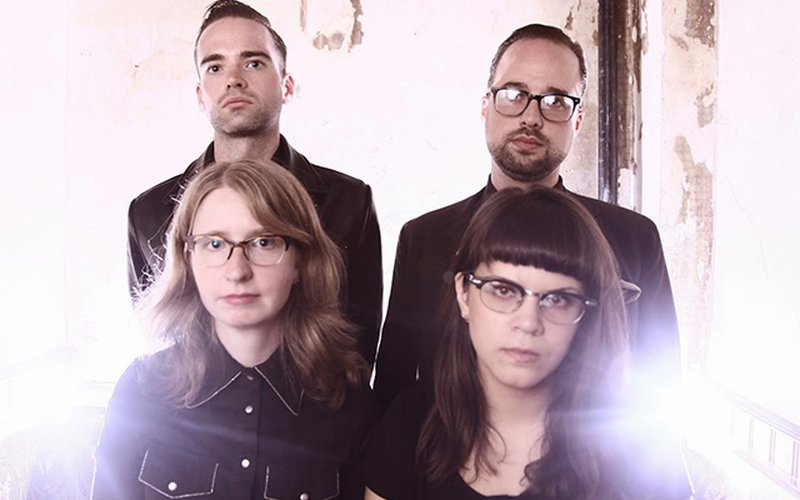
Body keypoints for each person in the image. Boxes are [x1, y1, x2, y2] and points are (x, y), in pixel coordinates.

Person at [374, 23, 680, 412]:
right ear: (486, 106)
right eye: (514, 94)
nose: (531, 117)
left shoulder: (634, 237)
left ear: (578, 120)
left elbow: (663, 391)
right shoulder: (425, 238)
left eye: (556, 101)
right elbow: (394, 390)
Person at [365, 187, 692, 499]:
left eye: (558, 299)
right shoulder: (409, 427)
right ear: (464, 293)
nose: (528, 322)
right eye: (503, 290)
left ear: (585, 313)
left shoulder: (642, 445)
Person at [93, 160, 376, 499]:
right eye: (214, 244)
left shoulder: (349, 399)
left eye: (263, 242)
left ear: (300, 261)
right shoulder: (141, 389)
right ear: (188, 259)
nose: (237, 271)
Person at [127, 0, 382, 367]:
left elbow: (358, 354)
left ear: (287, 86)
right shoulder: (148, 213)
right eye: (215, 67)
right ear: (200, 95)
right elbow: (157, 343)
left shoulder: (350, 201)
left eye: (253, 63)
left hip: (313, 402)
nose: (233, 79)